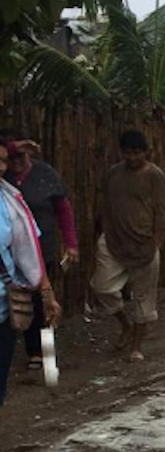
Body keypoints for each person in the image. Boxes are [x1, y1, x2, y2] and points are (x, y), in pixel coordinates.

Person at [90, 130, 165, 363]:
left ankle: (136, 347)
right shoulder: (113, 174)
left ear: (145, 152)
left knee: (144, 298)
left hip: (144, 244)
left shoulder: (155, 176)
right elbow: (105, 204)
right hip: (114, 240)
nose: (132, 157)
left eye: (137, 152)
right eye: (127, 152)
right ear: (121, 152)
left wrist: (156, 244)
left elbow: (163, 214)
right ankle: (124, 325)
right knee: (102, 287)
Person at [3, 137, 79, 370]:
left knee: (42, 303)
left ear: (30, 156)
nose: (14, 162)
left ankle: (43, 354)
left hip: (40, 252)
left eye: (20, 157)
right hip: (10, 260)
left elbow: (63, 210)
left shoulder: (45, 175)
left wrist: (71, 243)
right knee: (16, 305)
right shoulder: (5, 184)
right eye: (10, 158)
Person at [0, 145, 62, 407]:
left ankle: (45, 361)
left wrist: (47, 293)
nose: (3, 166)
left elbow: (27, 251)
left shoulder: (11, 202)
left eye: (3, 160)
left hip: (7, 302)